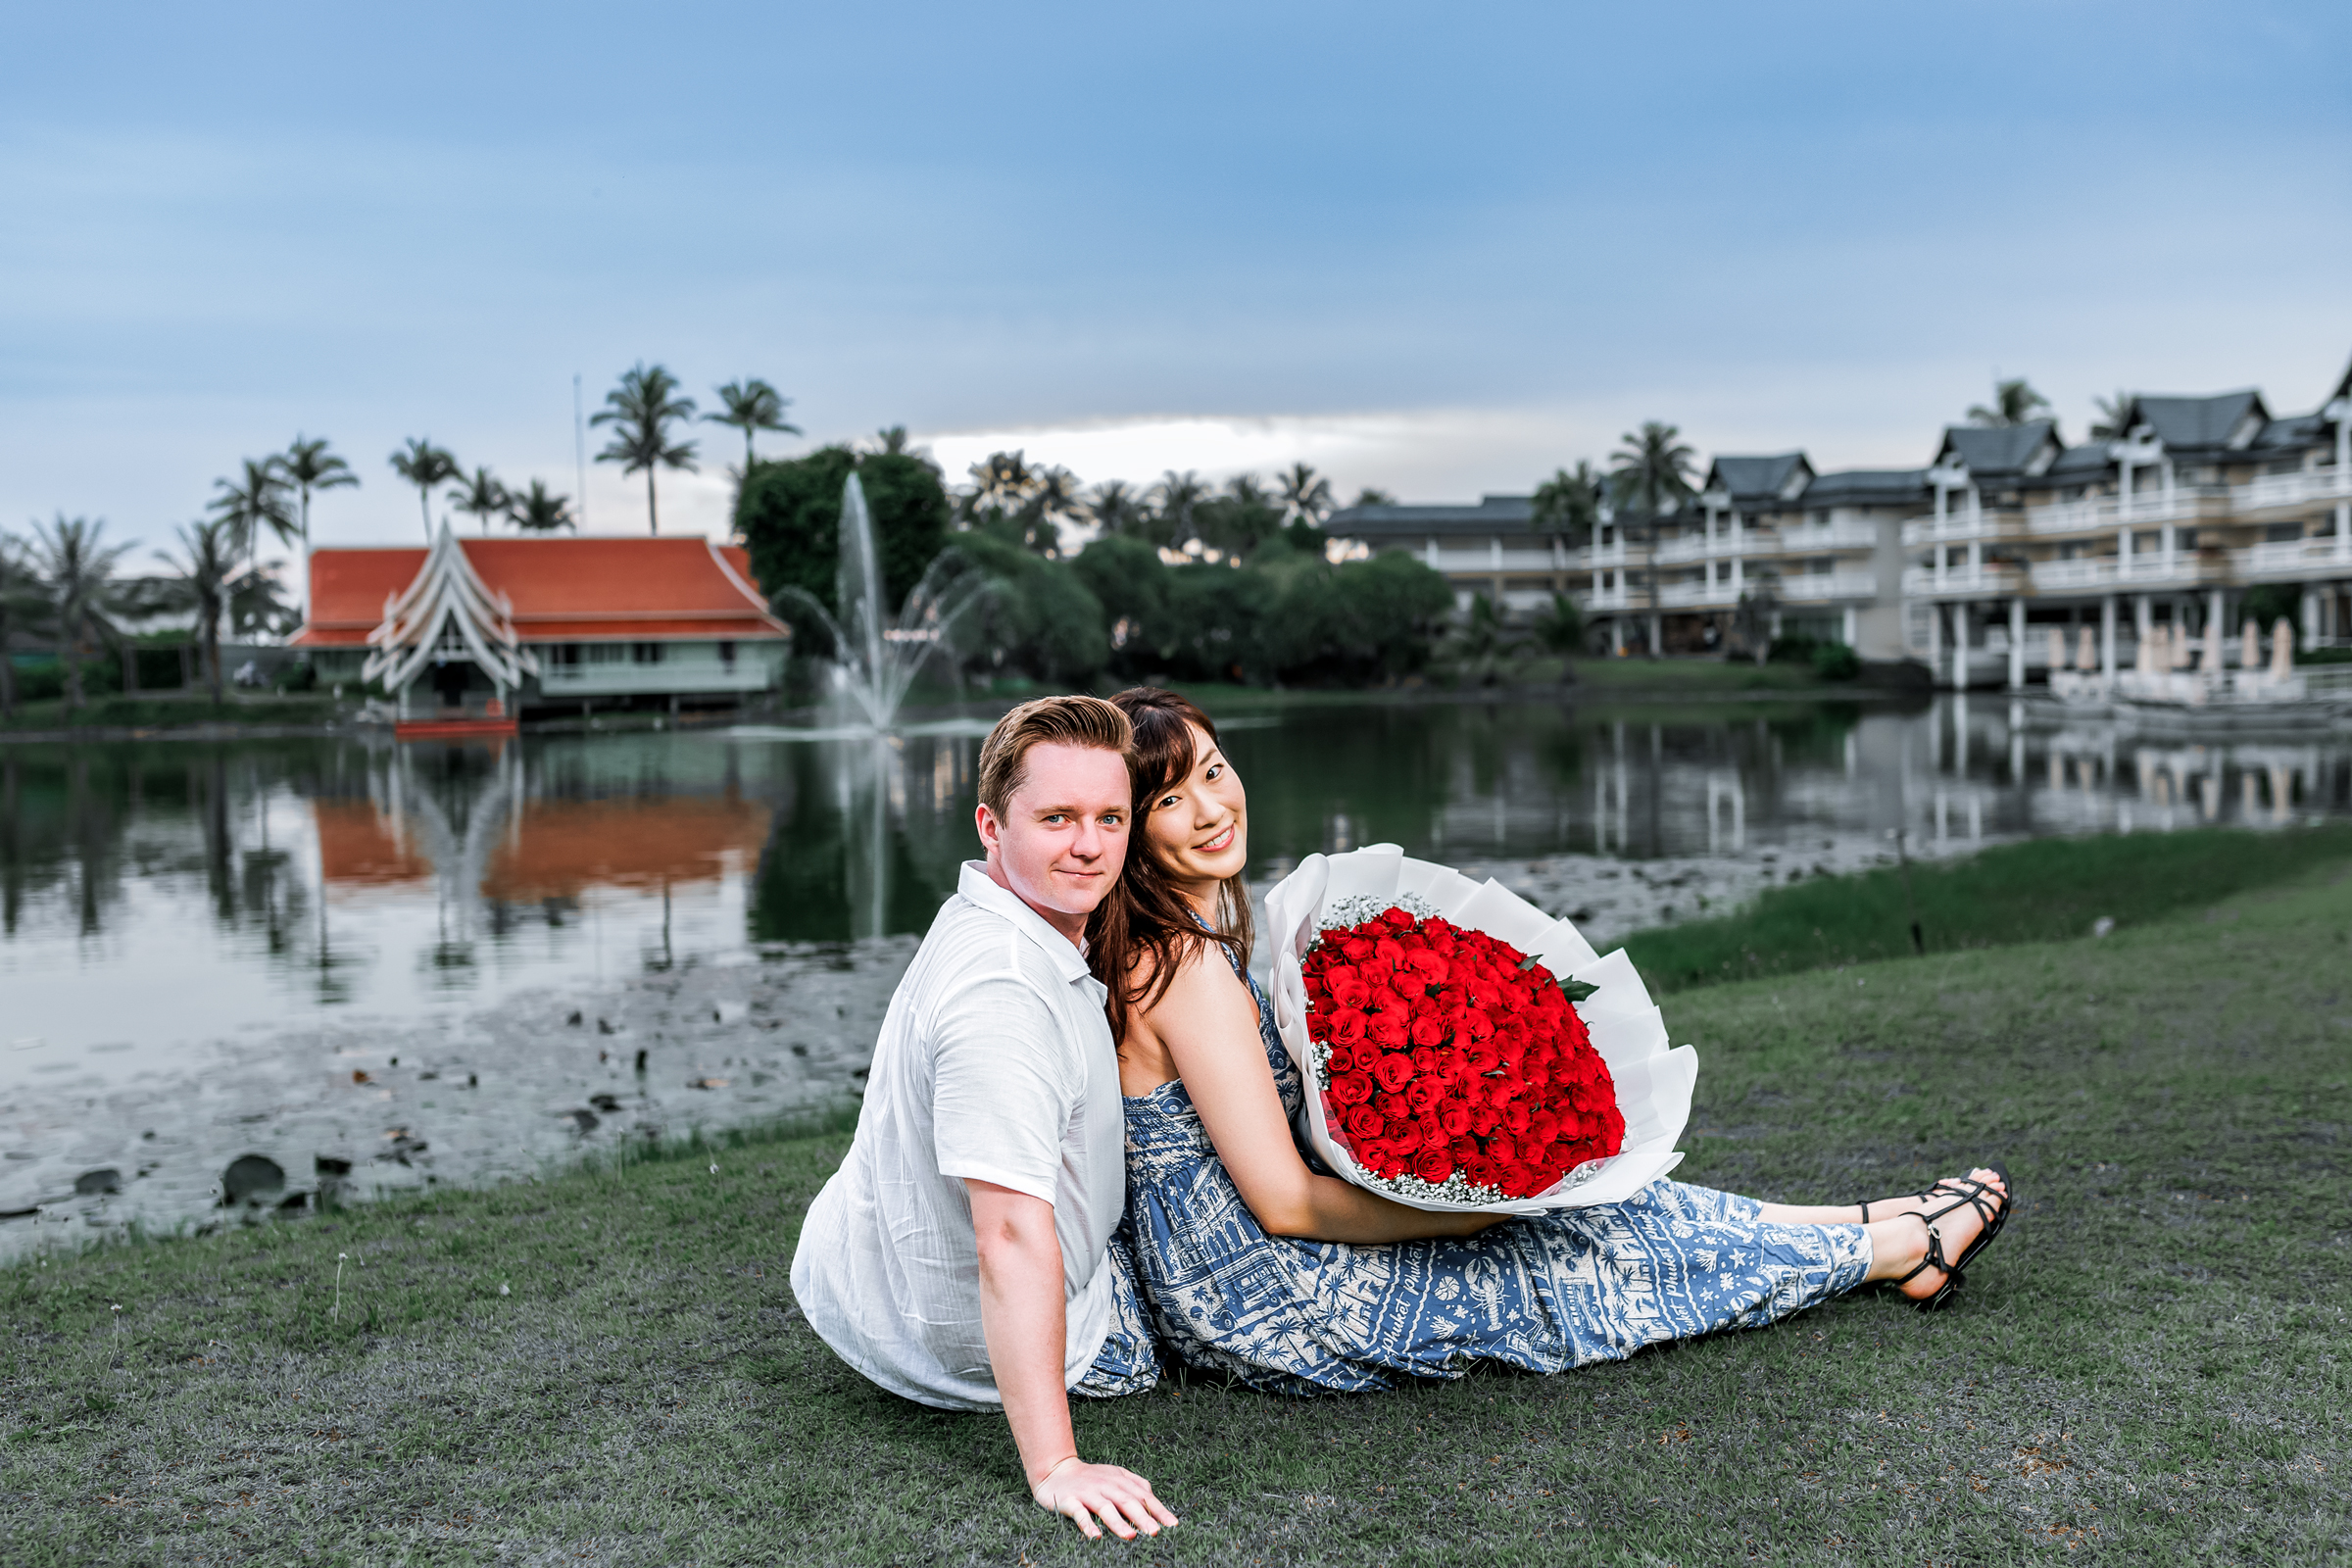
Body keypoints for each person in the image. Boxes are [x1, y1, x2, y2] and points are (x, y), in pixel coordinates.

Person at [1088, 686, 2013, 1395]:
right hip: (1262, 1291)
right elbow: (1288, 1204)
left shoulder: (1199, 936)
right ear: (1131, 829)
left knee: (1588, 1203)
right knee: (1563, 1258)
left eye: (1213, 770)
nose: (1210, 808)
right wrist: (1477, 1212)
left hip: (1238, 1258)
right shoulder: (1180, 966)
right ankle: (1897, 1252)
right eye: (1169, 798)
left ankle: (1869, 1222)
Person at [791, 696, 1177, 1541]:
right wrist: (1057, 1465)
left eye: (1110, 817)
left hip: (874, 1275)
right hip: (961, 1336)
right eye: (1057, 818)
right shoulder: (1002, 995)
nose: (1090, 844)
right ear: (991, 827)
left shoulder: (1004, 917)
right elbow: (1006, 1237)